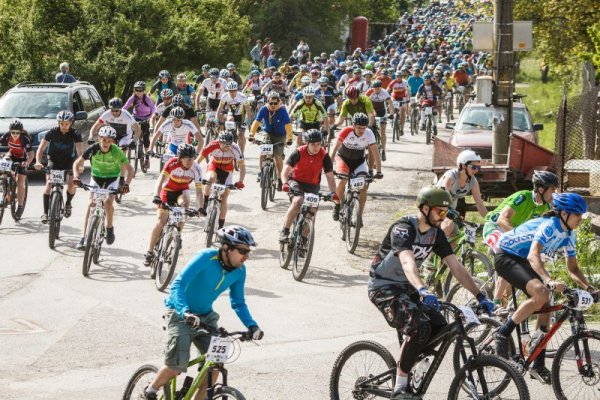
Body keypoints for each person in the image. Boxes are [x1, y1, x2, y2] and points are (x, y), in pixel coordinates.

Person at [368, 186, 494, 399]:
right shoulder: (403, 228)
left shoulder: (436, 234)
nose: (443, 216)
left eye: (446, 212)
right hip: (384, 287)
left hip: (407, 288)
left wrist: (479, 295)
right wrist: (422, 289)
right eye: (440, 211)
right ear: (425, 209)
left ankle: (412, 360)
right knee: (419, 327)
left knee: (440, 326)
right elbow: (407, 262)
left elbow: (456, 267)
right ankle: (400, 386)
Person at [143, 225, 263, 400]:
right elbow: (178, 285)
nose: (246, 256)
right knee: (176, 366)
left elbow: (238, 302)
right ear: (226, 248)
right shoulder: (205, 258)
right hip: (179, 313)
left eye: (248, 251)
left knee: (216, 362)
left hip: (206, 317)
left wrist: (252, 325)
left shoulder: (239, 271)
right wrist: (185, 311)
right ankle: (151, 390)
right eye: (242, 251)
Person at [493, 192, 597, 384]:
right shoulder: (550, 226)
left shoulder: (569, 234)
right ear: (564, 214)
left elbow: (573, 268)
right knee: (542, 292)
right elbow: (533, 256)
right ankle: (502, 333)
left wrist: (589, 288)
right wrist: (548, 280)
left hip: (523, 261)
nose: (580, 219)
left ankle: (538, 363)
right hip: (506, 255)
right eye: (577, 215)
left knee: (547, 305)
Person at [482, 171, 559, 309]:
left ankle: (507, 296)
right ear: (541, 189)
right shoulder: (523, 197)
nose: (555, 193)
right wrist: (517, 237)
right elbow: (502, 220)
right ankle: (496, 302)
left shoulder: (546, 207)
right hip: (495, 227)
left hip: (513, 233)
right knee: (509, 254)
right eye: (553, 189)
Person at [72, 126, 134, 249]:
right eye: (104, 140)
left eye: (109, 141)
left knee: (108, 202)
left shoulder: (116, 151)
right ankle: (84, 237)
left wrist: (126, 184)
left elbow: (130, 170)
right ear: (99, 138)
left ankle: (109, 228)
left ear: (113, 142)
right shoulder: (93, 149)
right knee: (91, 204)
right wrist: (76, 177)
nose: (106, 143)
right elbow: (76, 163)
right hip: (96, 177)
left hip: (112, 178)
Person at [144, 144, 204, 266]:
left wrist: (201, 207)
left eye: (192, 158)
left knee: (185, 207)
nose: (190, 161)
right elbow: (160, 180)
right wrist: (156, 196)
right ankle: (149, 252)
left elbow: (199, 191)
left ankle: (177, 235)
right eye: (187, 159)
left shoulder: (196, 168)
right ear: (180, 158)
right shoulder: (172, 163)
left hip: (182, 191)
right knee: (161, 221)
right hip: (167, 190)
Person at [279, 129, 337, 242]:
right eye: (313, 144)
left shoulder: (324, 155)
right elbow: (285, 170)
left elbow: (330, 176)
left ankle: (304, 239)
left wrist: (333, 193)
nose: (316, 147)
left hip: (312, 185)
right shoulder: (298, 152)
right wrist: (285, 183)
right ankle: (285, 231)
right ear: (307, 143)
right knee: (298, 201)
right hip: (296, 181)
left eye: (318, 144)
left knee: (313, 210)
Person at [330, 112, 383, 222]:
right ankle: (337, 204)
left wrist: (379, 171)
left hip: (359, 162)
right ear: (353, 125)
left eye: (364, 128)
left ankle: (359, 217)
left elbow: (375, 152)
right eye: (359, 127)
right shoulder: (346, 131)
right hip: (343, 159)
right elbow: (334, 149)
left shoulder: (369, 133)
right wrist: (329, 167)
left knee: (363, 187)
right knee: (342, 181)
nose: (361, 130)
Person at [34, 111, 83, 223]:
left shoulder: (75, 134)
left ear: (71, 123)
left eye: (66, 124)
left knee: (71, 184)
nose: (64, 126)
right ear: (58, 123)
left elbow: (80, 152)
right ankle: (45, 213)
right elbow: (41, 149)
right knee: (49, 184)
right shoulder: (51, 132)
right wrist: (38, 162)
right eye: (61, 124)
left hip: (69, 161)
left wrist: (80, 165)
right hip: (54, 160)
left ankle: (68, 203)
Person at [197, 132, 245, 230]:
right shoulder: (213, 145)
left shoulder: (235, 148)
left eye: (229, 145)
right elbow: (198, 160)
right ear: (219, 142)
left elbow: (242, 166)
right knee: (210, 179)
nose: (226, 147)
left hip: (227, 170)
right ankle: (205, 203)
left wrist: (240, 181)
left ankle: (220, 226)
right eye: (224, 144)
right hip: (214, 166)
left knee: (224, 197)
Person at [435, 150, 487, 238]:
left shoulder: (473, 181)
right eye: (474, 167)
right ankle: (437, 244)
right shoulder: (451, 176)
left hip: (450, 206)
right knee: (448, 225)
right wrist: (449, 214)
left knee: (455, 236)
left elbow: (480, 204)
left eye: (478, 167)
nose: (476, 170)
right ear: (463, 166)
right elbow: (443, 199)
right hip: (437, 205)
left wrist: (489, 219)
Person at [249, 91, 293, 190]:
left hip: (280, 135)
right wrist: (252, 134)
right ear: (267, 102)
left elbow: (288, 124)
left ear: (279, 102)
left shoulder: (282, 110)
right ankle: (261, 173)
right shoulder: (264, 109)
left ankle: (280, 178)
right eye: (271, 103)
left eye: (275, 103)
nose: (273, 105)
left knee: (277, 157)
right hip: (267, 133)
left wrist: (289, 138)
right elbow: (256, 122)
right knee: (263, 153)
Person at [0, 119, 34, 219]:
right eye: (13, 132)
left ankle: (20, 206)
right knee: (3, 168)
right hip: (11, 154)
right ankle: (6, 186)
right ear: (10, 131)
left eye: (17, 133)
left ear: (21, 132)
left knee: (20, 183)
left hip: (22, 158)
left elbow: (31, 153)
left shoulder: (24, 139)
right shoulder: (7, 135)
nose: (15, 134)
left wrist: (27, 162)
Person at [123, 81, 156, 168]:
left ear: (144, 91)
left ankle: (147, 159)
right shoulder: (133, 98)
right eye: (136, 90)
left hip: (146, 118)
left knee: (146, 138)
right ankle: (130, 145)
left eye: (140, 90)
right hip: (136, 117)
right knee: (130, 132)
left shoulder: (147, 98)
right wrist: (120, 114)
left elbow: (153, 108)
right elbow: (125, 107)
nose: (138, 92)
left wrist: (153, 116)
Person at [216, 81, 251, 156]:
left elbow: (248, 111)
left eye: (234, 90)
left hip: (241, 115)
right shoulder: (225, 96)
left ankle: (241, 153)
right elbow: (219, 108)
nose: (232, 92)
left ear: (237, 90)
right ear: (228, 90)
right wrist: (216, 118)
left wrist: (247, 121)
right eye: (230, 91)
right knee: (229, 121)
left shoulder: (242, 97)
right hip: (231, 113)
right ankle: (230, 137)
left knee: (241, 134)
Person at [365, 80, 394, 161]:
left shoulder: (384, 92)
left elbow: (390, 103)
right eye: (375, 89)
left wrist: (391, 114)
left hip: (382, 112)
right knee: (369, 128)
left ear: (381, 88)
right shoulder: (369, 91)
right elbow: (364, 102)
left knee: (383, 131)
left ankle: (383, 150)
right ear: (372, 88)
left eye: (378, 88)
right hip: (372, 111)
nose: (377, 90)